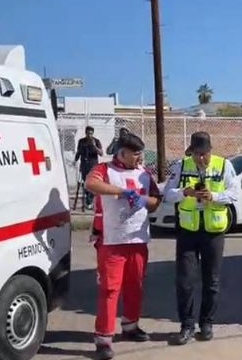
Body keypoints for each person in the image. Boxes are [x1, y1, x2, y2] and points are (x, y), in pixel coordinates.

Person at [85, 133, 161, 360]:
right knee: (109, 290)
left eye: (140, 153)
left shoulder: (144, 174)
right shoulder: (105, 169)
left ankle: (130, 326)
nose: (139, 158)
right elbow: (91, 184)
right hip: (111, 241)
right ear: (122, 152)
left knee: (135, 285)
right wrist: (121, 192)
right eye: (136, 154)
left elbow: (156, 201)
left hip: (138, 240)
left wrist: (143, 200)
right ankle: (103, 339)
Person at [163, 131, 237, 345]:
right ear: (191, 152)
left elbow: (234, 193)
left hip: (213, 231)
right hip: (188, 231)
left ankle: (206, 324)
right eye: (196, 154)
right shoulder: (181, 165)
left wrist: (214, 196)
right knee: (185, 281)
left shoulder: (223, 165)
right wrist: (184, 193)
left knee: (211, 281)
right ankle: (186, 325)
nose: (200, 158)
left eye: (203, 153)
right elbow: (168, 194)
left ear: (210, 150)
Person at [75, 126, 103, 210]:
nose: (89, 135)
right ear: (85, 133)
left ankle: (91, 199)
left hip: (93, 165)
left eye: (91, 133)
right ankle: (88, 200)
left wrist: (94, 146)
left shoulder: (96, 141)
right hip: (84, 165)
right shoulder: (81, 141)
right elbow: (78, 152)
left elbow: (101, 153)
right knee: (86, 183)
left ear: (93, 133)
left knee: (93, 183)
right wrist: (75, 160)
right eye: (87, 133)